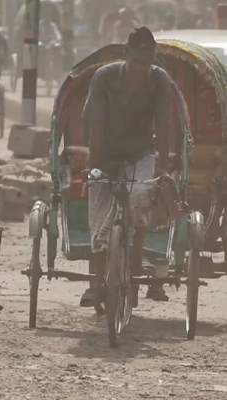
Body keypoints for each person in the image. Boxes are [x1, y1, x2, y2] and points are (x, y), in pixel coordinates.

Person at [82, 27, 172, 306]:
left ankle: (134, 260)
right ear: (127, 56)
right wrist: (94, 167)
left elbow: (164, 124)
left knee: (141, 194)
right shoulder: (105, 77)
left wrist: (164, 167)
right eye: (136, 61)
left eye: (146, 62)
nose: (140, 68)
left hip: (141, 153)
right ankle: (95, 283)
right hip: (104, 152)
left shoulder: (159, 80)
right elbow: (96, 125)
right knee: (98, 214)